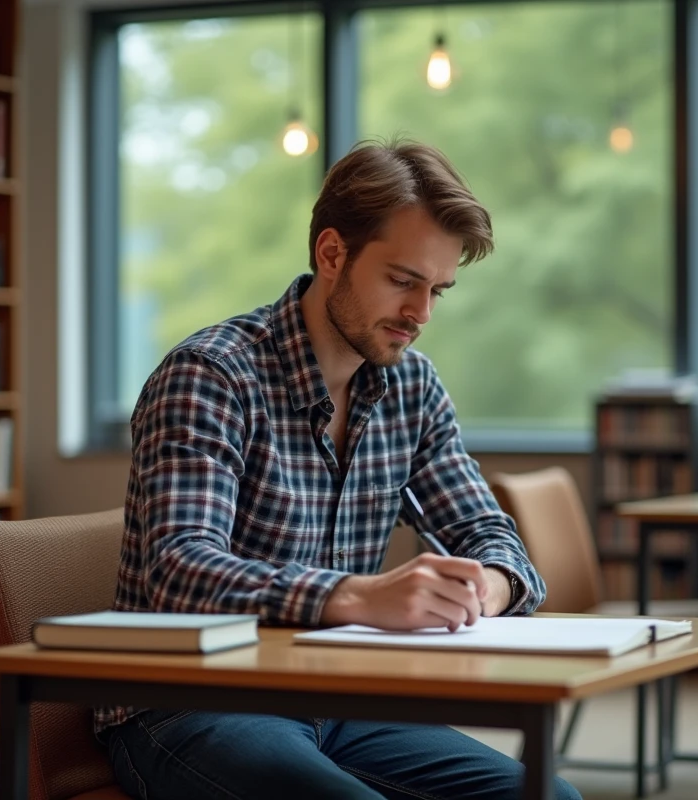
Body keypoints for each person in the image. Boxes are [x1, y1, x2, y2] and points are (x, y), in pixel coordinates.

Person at [97, 138, 581, 800]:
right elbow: (180, 571)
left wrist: (484, 588)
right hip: (191, 701)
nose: (421, 315)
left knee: (552, 798)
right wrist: (355, 596)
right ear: (331, 254)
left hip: (337, 696)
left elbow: (491, 538)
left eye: (438, 289)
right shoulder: (211, 376)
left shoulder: (412, 387)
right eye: (403, 281)